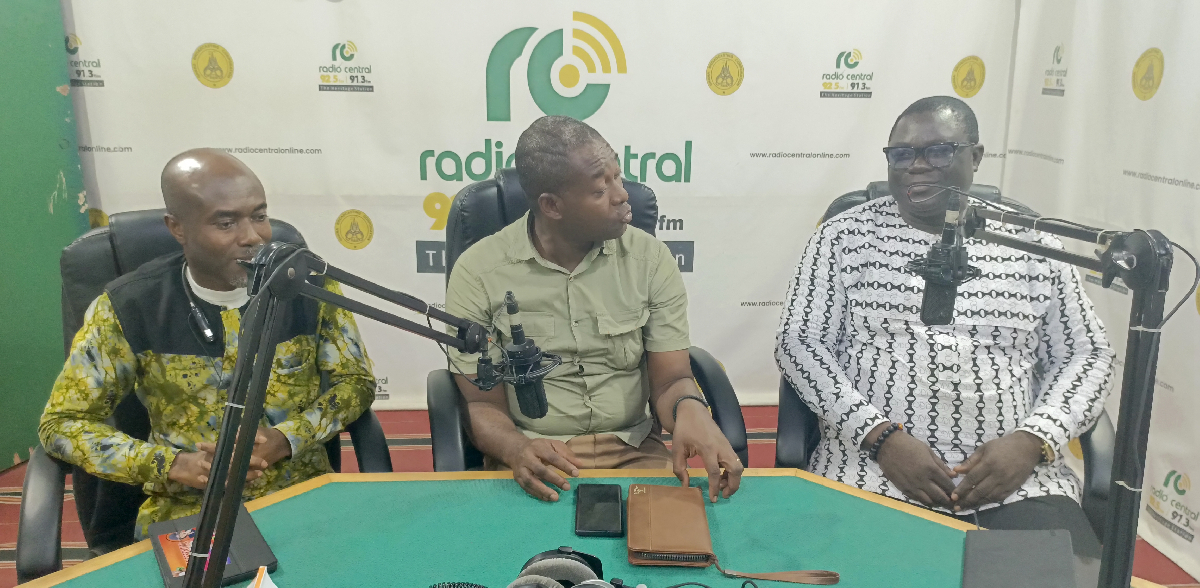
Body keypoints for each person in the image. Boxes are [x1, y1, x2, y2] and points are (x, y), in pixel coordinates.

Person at [775, 96, 1114, 556]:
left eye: (938, 151)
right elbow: (800, 343)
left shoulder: (1034, 245)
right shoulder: (843, 237)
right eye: (901, 154)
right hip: (869, 473)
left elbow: (1087, 352)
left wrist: (1035, 439)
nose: (917, 165)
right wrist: (880, 438)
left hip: (1017, 483)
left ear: (975, 156)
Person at [39, 148, 375, 539]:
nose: (252, 237)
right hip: (187, 513)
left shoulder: (307, 288)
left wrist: (287, 438)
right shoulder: (128, 307)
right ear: (177, 228)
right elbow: (61, 425)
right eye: (226, 223)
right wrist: (171, 464)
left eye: (259, 216)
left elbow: (356, 383)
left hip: (304, 500)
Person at [445, 115, 743, 503]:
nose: (622, 196)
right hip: (536, 456)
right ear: (551, 205)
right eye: (601, 190)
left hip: (635, 451)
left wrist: (691, 409)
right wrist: (516, 449)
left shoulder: (651, 260)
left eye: (618, 177)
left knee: (678, 537)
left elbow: (671, 380)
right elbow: (481, 404)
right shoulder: (478, 272)